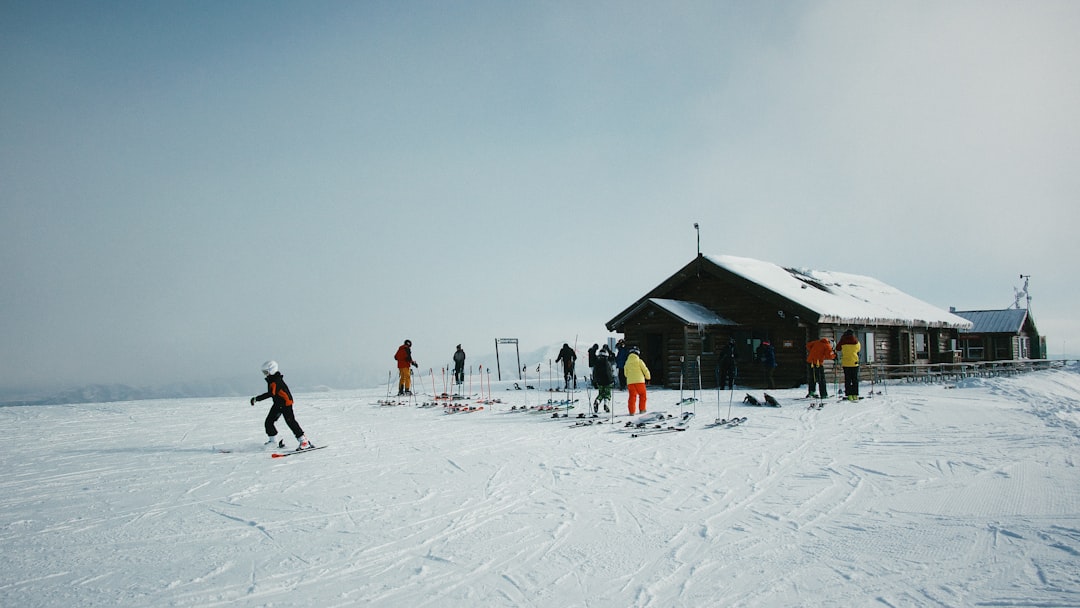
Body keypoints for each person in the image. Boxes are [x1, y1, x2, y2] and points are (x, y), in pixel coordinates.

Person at [250, 360, 313, 451]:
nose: (265, 374)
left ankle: (304, 442)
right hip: (278, 403)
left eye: (266, 372)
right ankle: (273, 442)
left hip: (285, 404)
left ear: (271, 370)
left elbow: (270, 393)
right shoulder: (272, 379)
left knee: (290, 422)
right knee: (269, 422)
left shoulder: (275, 381)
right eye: (264, 372)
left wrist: (257, 399)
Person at [623, 346, 651, 415]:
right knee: (642, 395)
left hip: (630, 383)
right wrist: (648, 378)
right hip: (640, 382)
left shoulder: (627, 362)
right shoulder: (639, 361)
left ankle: (631, 411)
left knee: (632, 396)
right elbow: (645, 370)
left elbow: (625, 373)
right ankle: (642, 409)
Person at [837, 330, 861, 400]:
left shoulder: (843, 341)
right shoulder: (856, 341)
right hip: (854, 362)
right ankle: (855, 394)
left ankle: (849, 394)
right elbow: (858, 349)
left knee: (847, 379)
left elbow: (838, 348)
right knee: (855, 379)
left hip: (846, 363)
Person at [592, 345, 614, 413]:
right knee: (607, 394)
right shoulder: (608, 363)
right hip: (608, 381)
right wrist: (612, 380)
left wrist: (595, 381)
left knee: (601, 393)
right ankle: (606, 404)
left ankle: (597, 401)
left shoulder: (597, 363)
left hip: (599, 381)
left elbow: (594, 372)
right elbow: (610, 372)